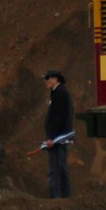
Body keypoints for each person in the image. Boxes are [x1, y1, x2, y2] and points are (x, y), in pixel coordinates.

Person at [43, 70, 73, 199]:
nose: (46, 81)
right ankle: (64, 196)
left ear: (56, 79)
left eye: (48, 78)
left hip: (58, 138)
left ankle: (56, 197)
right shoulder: (58, 92)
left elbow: (58, 117)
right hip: (61, 136)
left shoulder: (60, 93)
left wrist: (52, 138)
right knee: (61, 167)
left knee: (55, 168)